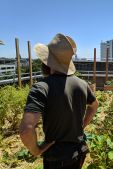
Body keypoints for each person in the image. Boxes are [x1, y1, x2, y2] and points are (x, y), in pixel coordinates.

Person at [19, 33, 98, 169]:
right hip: (79, 150)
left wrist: (36, 150)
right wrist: (82, 125)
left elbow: (27, 130)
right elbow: (94, 106)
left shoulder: (41, 88)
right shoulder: (82, 84)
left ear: (46, 61)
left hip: (57, 157)